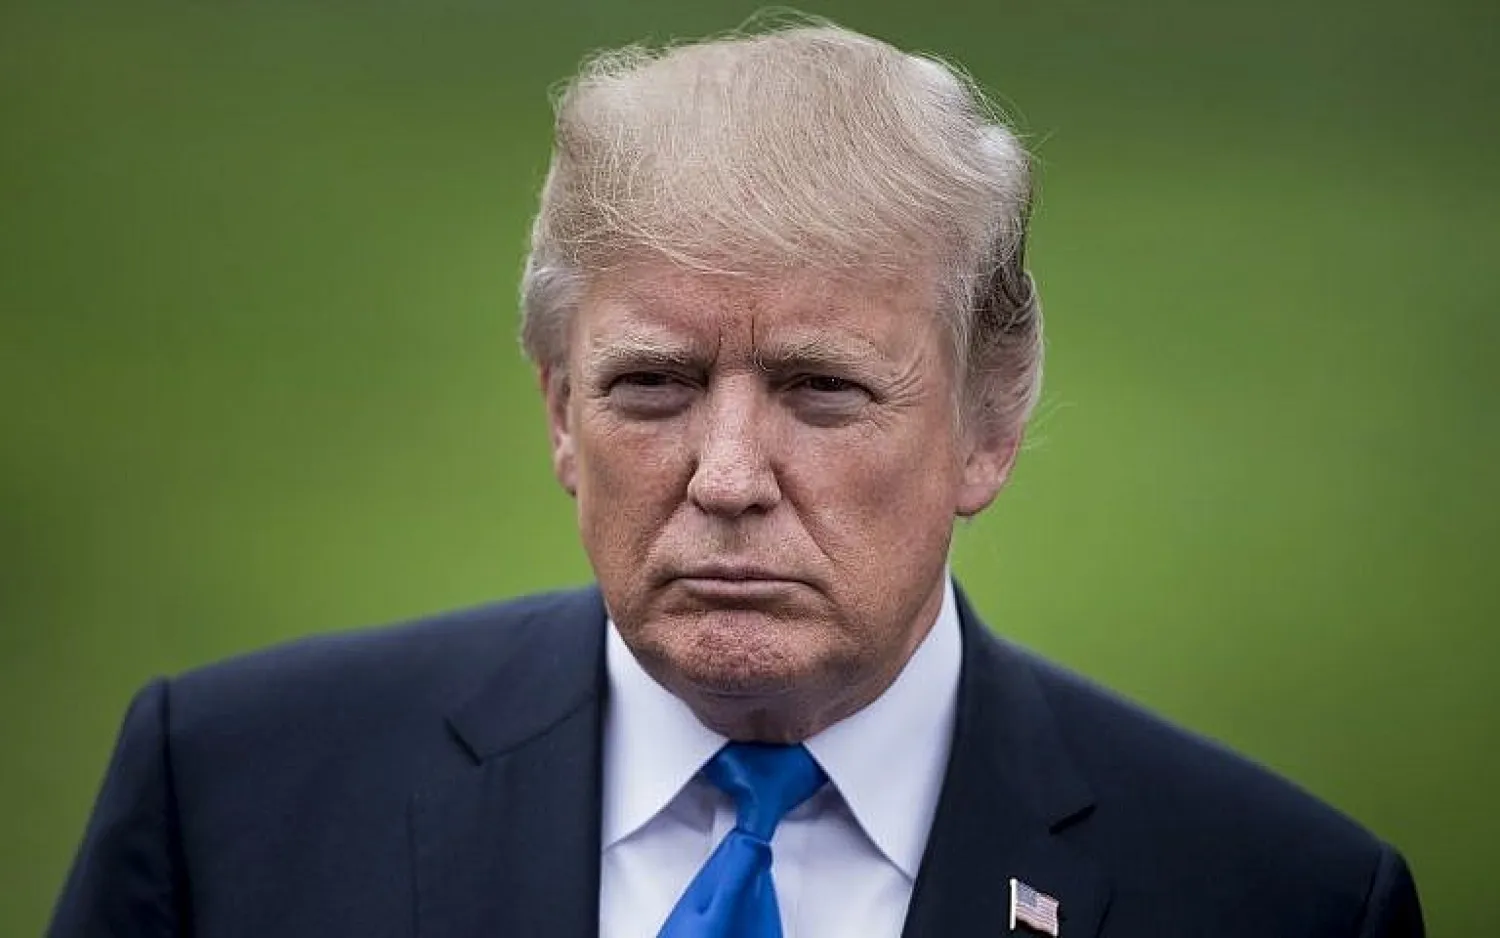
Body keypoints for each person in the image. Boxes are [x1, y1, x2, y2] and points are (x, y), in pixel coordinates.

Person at [48, 20, 1424, 938]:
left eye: (823, 390)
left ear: (988, 421)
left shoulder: (1283, 896)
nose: (725, 476)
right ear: (560, 411)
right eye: (652, 385)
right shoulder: (226, 801)